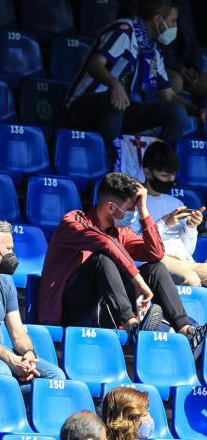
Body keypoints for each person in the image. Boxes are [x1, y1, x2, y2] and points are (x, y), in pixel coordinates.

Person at [38, 172, 206, 352]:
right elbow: (106, 243)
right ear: (111, 208)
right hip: (69, 310)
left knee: (155, 268)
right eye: (131, 209)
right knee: (101, 258)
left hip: (105, 307)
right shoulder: (73, 222)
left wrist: (143, 210)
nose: (132, 215)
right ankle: (133, 327)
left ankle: (187, 331)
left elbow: (155, 253)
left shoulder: (120, 231)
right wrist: (138, 282)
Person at [66, 0, 207, 147]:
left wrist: (198, 110)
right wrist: (115, 85)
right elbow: (94, 64)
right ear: (158, 20)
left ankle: (154, 162)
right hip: (82, 107)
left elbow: (169, 96)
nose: (175, 27)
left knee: (176, 112)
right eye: (173, 21)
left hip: (119, 112)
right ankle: (113, 161)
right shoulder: (124, 31)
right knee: (114, 102)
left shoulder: (154, 52)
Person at [0, 218, 66, 393]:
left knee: (55, 377)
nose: (12, 254)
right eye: (8, 249)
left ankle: (20, 412)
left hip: (0, 353)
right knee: (2, 372)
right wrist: (10, 359)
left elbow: (17, 333)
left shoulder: (6, 281)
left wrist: (29, 354)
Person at [130, 142, 206, 286]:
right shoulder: (133, 203)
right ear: (147, 173)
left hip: (186, 261)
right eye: (165, 175)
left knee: (193, 275)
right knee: (191, 280)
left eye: (173, 176)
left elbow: (187, 250)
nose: (170, 180)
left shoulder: (176, 204)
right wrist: (165, 223)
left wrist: (191, 227)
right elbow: (133, 246)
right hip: (155, 261)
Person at [120, 0, 207, 97]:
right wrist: (179, 67)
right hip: (165, 62)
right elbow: (147, 37)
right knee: (176, 82)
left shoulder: (183, 3)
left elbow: (192, 37)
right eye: (173, 21)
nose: (175, 25)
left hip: (185, 64)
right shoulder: (137, 7)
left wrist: (194, 66)